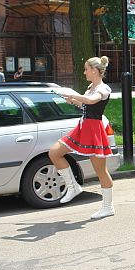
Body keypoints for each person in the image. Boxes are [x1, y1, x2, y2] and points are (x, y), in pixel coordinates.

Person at [48, 56, 115, 219]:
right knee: (54, 152)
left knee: (101, 171)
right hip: (83, 126)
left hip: (93, 129)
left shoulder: (103, 89)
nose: (84, 72)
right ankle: (73, 187)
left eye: (86, 69)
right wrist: (73, 100)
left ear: (94, 70)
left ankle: (108, 207)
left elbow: (92, 101)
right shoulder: (91, 86)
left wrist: (75, 94)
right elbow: (86, 104)